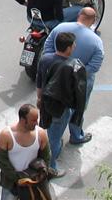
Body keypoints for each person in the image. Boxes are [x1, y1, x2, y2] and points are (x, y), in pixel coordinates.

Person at [40, 8, 103, 146]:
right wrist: (75, 75)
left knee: (57, 113)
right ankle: (76, 135)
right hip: (80, 83)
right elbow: (94, 66)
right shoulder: (96, 41)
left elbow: (47, 49)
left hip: (55, 80)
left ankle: (54, 140)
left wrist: (58, 69)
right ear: (93, 20)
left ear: (79, 15)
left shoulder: (60, 28)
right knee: (78, 110)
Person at [36, 32, 87, 178]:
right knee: (54, 138)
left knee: (49, 130)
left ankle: (51, 152)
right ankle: (50, 168)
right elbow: (77, 90)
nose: (75, 46)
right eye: (73, 44)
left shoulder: (45, 58)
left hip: (46, 102)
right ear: (68, 48)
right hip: (61, 107)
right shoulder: (72, 65)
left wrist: (39, 98)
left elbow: (40, 80)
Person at [0, 103, 51, 200]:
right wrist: (18, 178)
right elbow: (2, 161)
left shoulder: (41, 134)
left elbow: (46, 157)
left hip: (35, 182)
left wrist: (40, 175)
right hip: (11, 184)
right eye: (33, 120)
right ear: (22, 120)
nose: (36, 123)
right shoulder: (6, 136)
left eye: (37, 119)